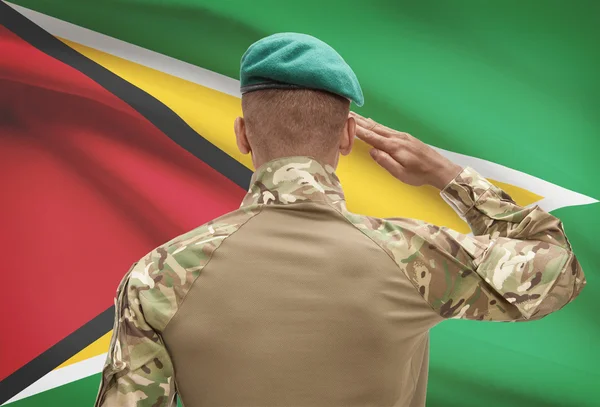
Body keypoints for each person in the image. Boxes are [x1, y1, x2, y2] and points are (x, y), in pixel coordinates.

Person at [94, 33, 586, 407]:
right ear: (349, 135)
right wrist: (448, 175)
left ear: (243, 134)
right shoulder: (415, 256)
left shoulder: (157, 275)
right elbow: (559, 270)